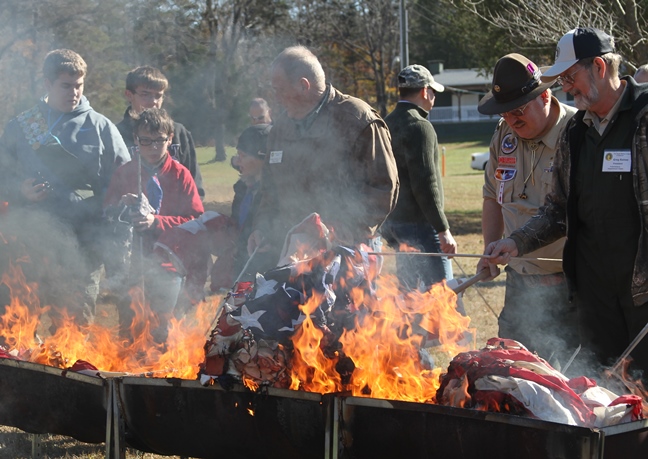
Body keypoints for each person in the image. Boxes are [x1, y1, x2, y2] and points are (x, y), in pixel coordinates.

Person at [485, 28, 648, 381]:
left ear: (600, 67)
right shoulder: (577, 132)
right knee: (604, 395)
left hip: (641, 298)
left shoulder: (643, 117)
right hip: (594, 299)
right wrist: (516, 242)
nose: (565, 87)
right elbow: (558, 209)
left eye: (570, 77)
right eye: (562, 79)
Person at [0, 49, 130, 328]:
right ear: (47, 83)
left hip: (83, 244)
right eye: (65, 85)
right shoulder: (21, 127)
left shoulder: (101, 127)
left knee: (74, 330)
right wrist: (18, 190)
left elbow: (124, 182)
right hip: (30, 243)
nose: (74, 92)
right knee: (19, 329)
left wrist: (96, 207)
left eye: (79, 85)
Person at [247, 46, 399, 273]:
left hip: (348, 254)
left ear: (303, 85)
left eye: (279, 90)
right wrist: (262, 228)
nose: (275, 99)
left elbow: (383, 186)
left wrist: (350, 228)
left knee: (347, 309)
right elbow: (270, 189)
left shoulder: (357, 120)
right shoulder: (280, 129)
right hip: (293, 255)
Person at [476, 53, 577, 364]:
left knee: (565, 382)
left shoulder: (576, 133)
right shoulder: (504, 133)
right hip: (518, 281)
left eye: (518, 111)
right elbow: (493, 196)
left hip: (567, 284)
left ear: (545, 95)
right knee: (511, 376)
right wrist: (488, 248)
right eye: (504, 113)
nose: (511, 120)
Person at [103, 108, 203, 343]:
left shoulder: (181, 175)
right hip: (132, 264)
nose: (152, 147)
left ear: (170, 139)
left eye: (159, 140)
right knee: (130, 329)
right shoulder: (125, 172)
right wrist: (122, 208)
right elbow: (107, 213)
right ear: (136, 140)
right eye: (145, 141)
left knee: (161, 329)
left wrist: (156, 222)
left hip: (168, 263)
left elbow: (195, 219)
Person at [381, 64, 457, 291]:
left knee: (411, 299)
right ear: (425, 91)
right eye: (433, 91)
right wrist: (443, 230)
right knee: (444, 297)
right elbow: (425, 183)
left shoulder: (386, 123)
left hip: (395, 223)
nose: (433, 97)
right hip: (420, 226)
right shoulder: (420, 126)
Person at [116, 65, 205, 199]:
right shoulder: (117, 135)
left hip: (176, 215)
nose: (153, 102)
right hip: (132, 214)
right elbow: (111, 189)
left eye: (158, 96)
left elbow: (195, 186)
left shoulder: (179, 133)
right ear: (129, 95)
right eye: (145, 95)